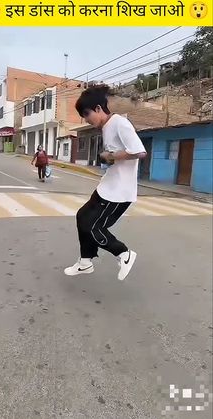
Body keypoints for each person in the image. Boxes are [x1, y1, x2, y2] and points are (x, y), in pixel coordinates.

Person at [64, 85, 147, 281]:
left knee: (92, 226)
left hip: (119, 191)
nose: (86, 119)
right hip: (108, 186)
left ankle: (123, 254)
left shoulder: (120, 123)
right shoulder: (106, 127)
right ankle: (85, 262)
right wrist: (108, 158)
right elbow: (115, 157)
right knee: (82, 217)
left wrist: (109, 155)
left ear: (99, 108)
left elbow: (140, 151)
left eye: (87, 114)